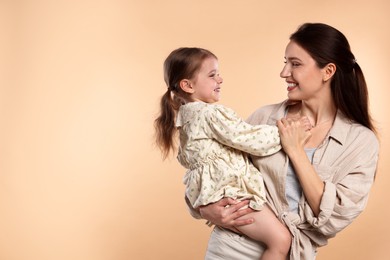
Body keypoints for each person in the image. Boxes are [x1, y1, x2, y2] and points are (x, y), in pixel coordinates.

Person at [197, 23, 379, 260]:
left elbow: (333, 220)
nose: (284, 72)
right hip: (231, 248)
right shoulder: (265, 118)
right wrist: (204, 209)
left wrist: (296, 151)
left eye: (295, 64)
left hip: (294, 253)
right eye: (285, 62)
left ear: (328, 71)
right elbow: (211, 166)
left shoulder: (360, 142)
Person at [154, 47, 311, 259]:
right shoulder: (210, 114)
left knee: (277, 240)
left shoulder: (185, 119)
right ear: (187, 85)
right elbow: (247, 138)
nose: (220, 79)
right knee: (282, 240)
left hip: (214, 195)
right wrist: (286, 132)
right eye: (212, 75)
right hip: (232, 195)